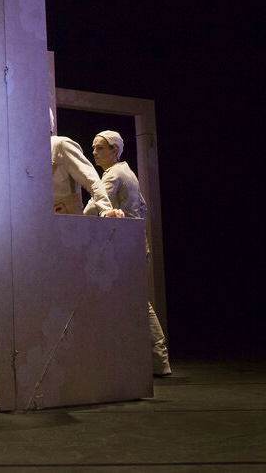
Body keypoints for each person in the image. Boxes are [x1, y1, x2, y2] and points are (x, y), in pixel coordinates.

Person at [84, 130, 172, 377]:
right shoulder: (128, 173)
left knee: (136, 302)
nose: (94, 152)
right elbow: (141, 207)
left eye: (100, 148)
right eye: (94, 147)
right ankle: (147, 360)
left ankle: (158, 360)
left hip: (122, 248)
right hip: (131, 245)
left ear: (115, 150)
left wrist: (74, 220)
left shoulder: (114, 174)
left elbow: (94, 205)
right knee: (128, 301)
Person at [49, 110, 121, 217]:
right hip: (38, 221)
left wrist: (106, 209)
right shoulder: (29, 155)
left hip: (67, 221)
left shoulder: (59, 145)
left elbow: (90, 179)